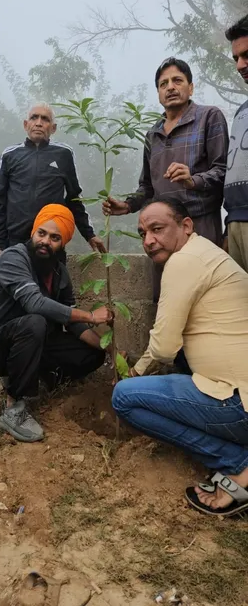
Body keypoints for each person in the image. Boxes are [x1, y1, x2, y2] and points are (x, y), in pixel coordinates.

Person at [112, 198, 248, 517]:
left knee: (125, 398)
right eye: (142, 233)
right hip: (238, 393)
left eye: (157, 229)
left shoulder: (184, 261)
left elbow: (163, 348)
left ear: (186, 226)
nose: (148, 240)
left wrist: (134, 373)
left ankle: (237, 464)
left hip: (237, 402)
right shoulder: (206, 254)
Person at [0, 204, 110, 442]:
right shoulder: (13, 258)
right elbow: (34, 303)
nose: (46, 241)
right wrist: (90, 316)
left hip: (36, 341)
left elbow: (73, 322)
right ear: (33, 233)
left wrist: (108, 348)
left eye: (55, 238)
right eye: (42, 233)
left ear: (63, 243)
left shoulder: (59, 272)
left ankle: (39, 380)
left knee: (92, 353)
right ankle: (13, 407)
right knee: (35, 322)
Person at [102, 58, 229, 298]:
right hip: (161, 232)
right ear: (159, 94)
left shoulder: (209, 118)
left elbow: (223, 171)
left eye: (177, 80)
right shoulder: (153, 134)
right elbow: (147, 187)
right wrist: (128, 204)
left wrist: (193, 179)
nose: (170, 87)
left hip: (200, 226)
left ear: (190, 87)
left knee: (204, 300)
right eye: (163, 84)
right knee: (167, 300)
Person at [0, 102, 105, 271]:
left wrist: (89, 234)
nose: (38, 122)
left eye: (45, 119)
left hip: (51, 242)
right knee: (15, 293)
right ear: (25, 124)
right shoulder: (10, 155)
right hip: (15, 242)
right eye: (34, 117)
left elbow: (74, 199)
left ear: (53, 128)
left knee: (51, 293)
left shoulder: (63, 154)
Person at [224, 15, 248, 271]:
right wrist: (228, 224)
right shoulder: (242, 111)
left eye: (246, 55)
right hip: (236, 222)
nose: (240, 65)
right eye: (236, 58)